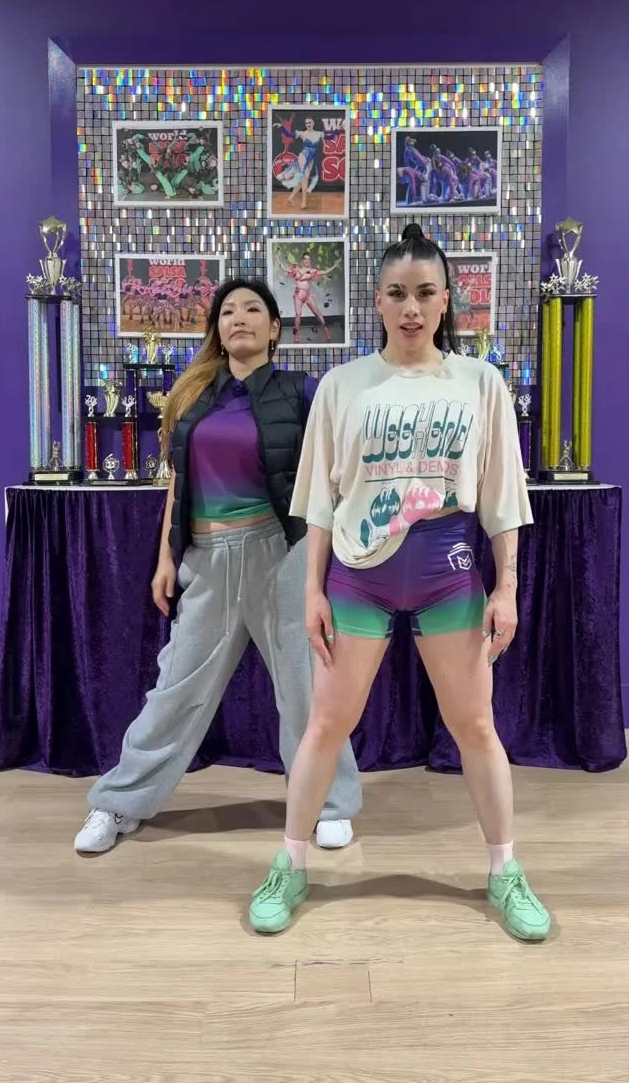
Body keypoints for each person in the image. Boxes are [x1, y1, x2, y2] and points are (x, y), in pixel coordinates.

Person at [248, 225, 550, 942]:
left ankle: (505, 870)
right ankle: (290, 865)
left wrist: (506, 588)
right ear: (377, 302)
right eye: (396, 294)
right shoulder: (342, 386)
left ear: (445, 301)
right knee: (326, 724)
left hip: (450, 570)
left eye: (424, 293)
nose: (411, 307)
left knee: (476, 726)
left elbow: (503, 499)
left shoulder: (481, 383)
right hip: (358, 574)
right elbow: (320, 502)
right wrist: (312, 591)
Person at [74, 278, 361, 854]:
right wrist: (166, 559)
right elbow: (179, 484)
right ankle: (118, 802)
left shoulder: (301, 392)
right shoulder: (195, 398)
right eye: (228, 311)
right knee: (175, 690)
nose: (240, 318)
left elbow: (337, 474)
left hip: (280, 555)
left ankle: (328, 804)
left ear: (275, 328)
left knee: (305, 688)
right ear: (218, 329)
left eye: (253, 309)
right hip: (206, 560)